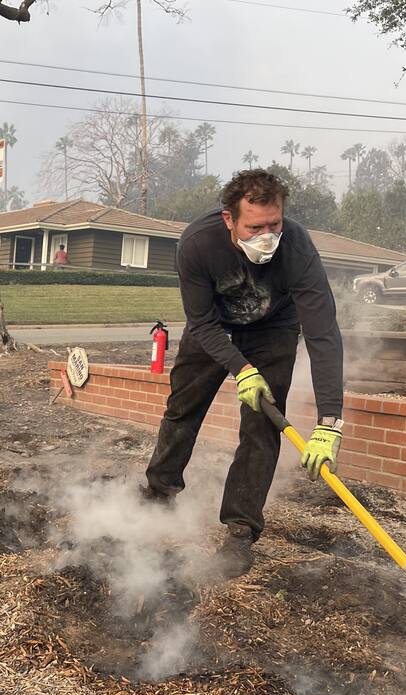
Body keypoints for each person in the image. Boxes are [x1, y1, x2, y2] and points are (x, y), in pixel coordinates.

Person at [143, 169, 344, 578]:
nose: (267, 236)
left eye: (275, 224)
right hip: (213, 328)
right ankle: (158, 493)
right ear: (229, 219)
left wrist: (330, 421)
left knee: (262, 427)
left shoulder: (298, 249)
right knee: (183, 408)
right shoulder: (198, 244)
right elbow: (200, 321)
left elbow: (323, 332)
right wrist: (240, 368)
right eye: (255, 227)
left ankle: (240, 531)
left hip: (273, 329)